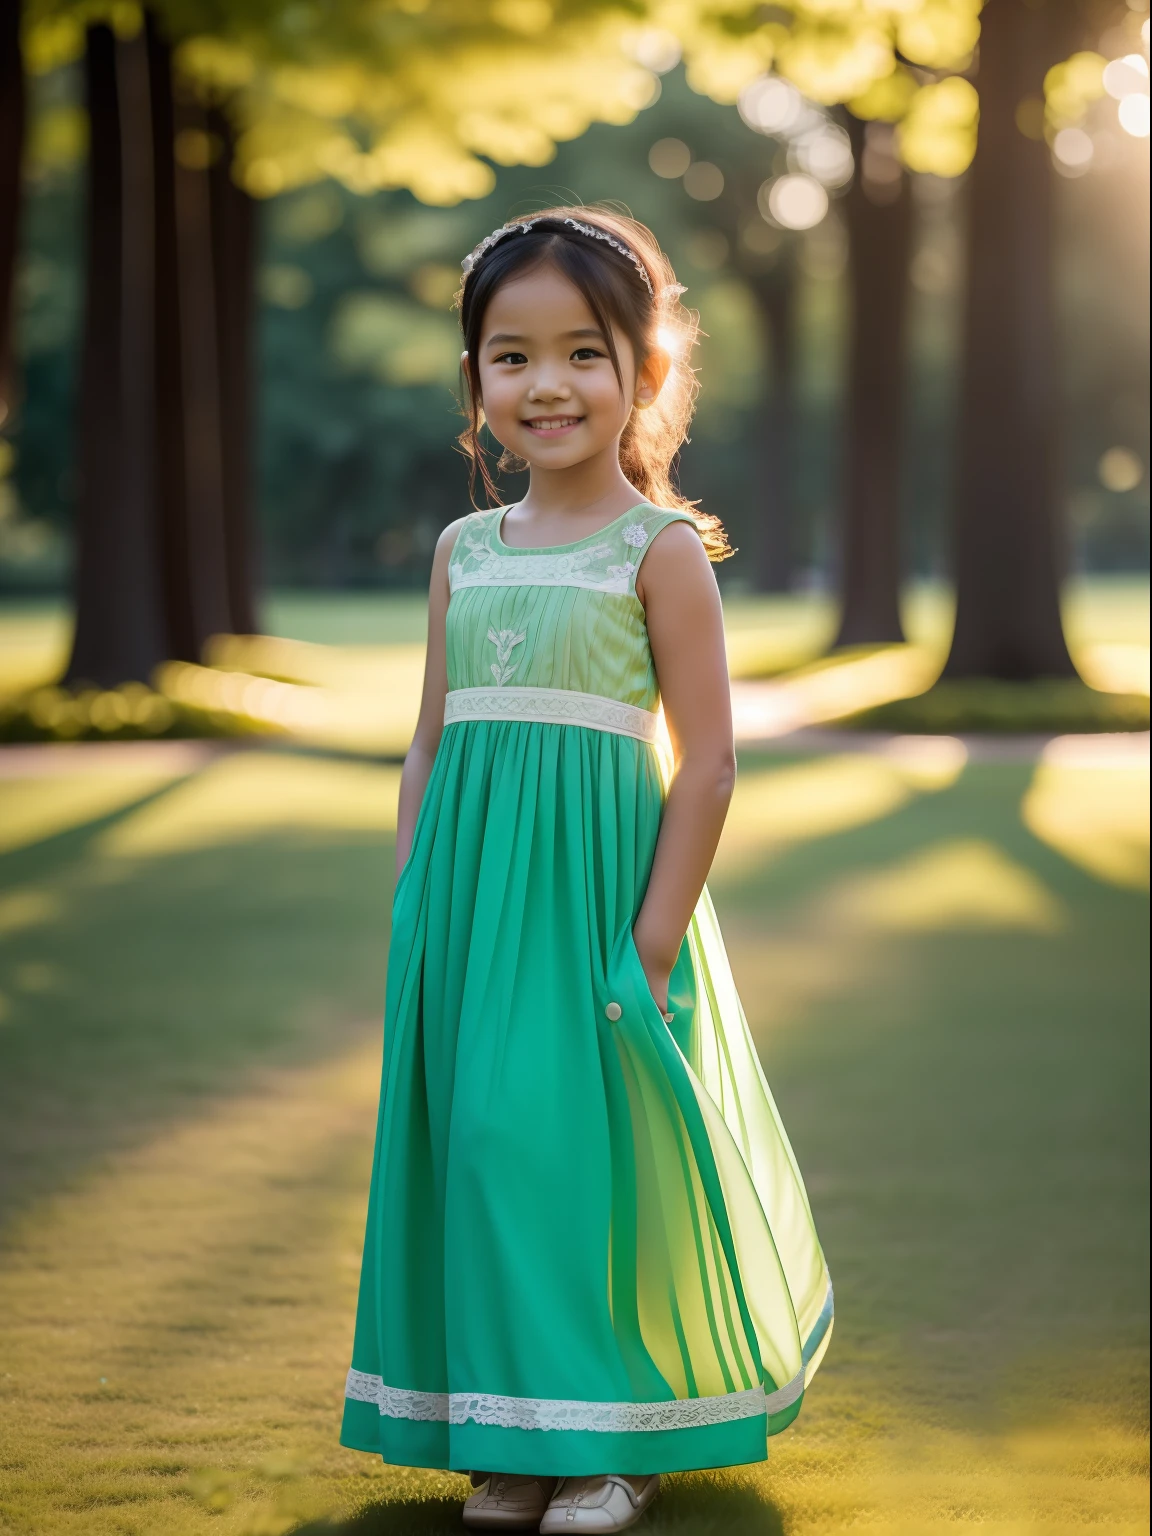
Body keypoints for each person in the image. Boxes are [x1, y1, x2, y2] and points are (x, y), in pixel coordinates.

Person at [340, 208, 832, 1533]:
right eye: (510, 357)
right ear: (476, 382)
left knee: (569, 1159)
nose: (544, 386)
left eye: (580, 354)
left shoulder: (658, 553)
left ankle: (611, 1441)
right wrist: (413, 908)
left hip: (596, 912)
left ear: (646, 371)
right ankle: (512, 1434)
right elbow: (429, 745)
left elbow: (711, 762)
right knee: (484, 1154)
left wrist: (652, 943)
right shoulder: (463, 556)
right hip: (463, 915)